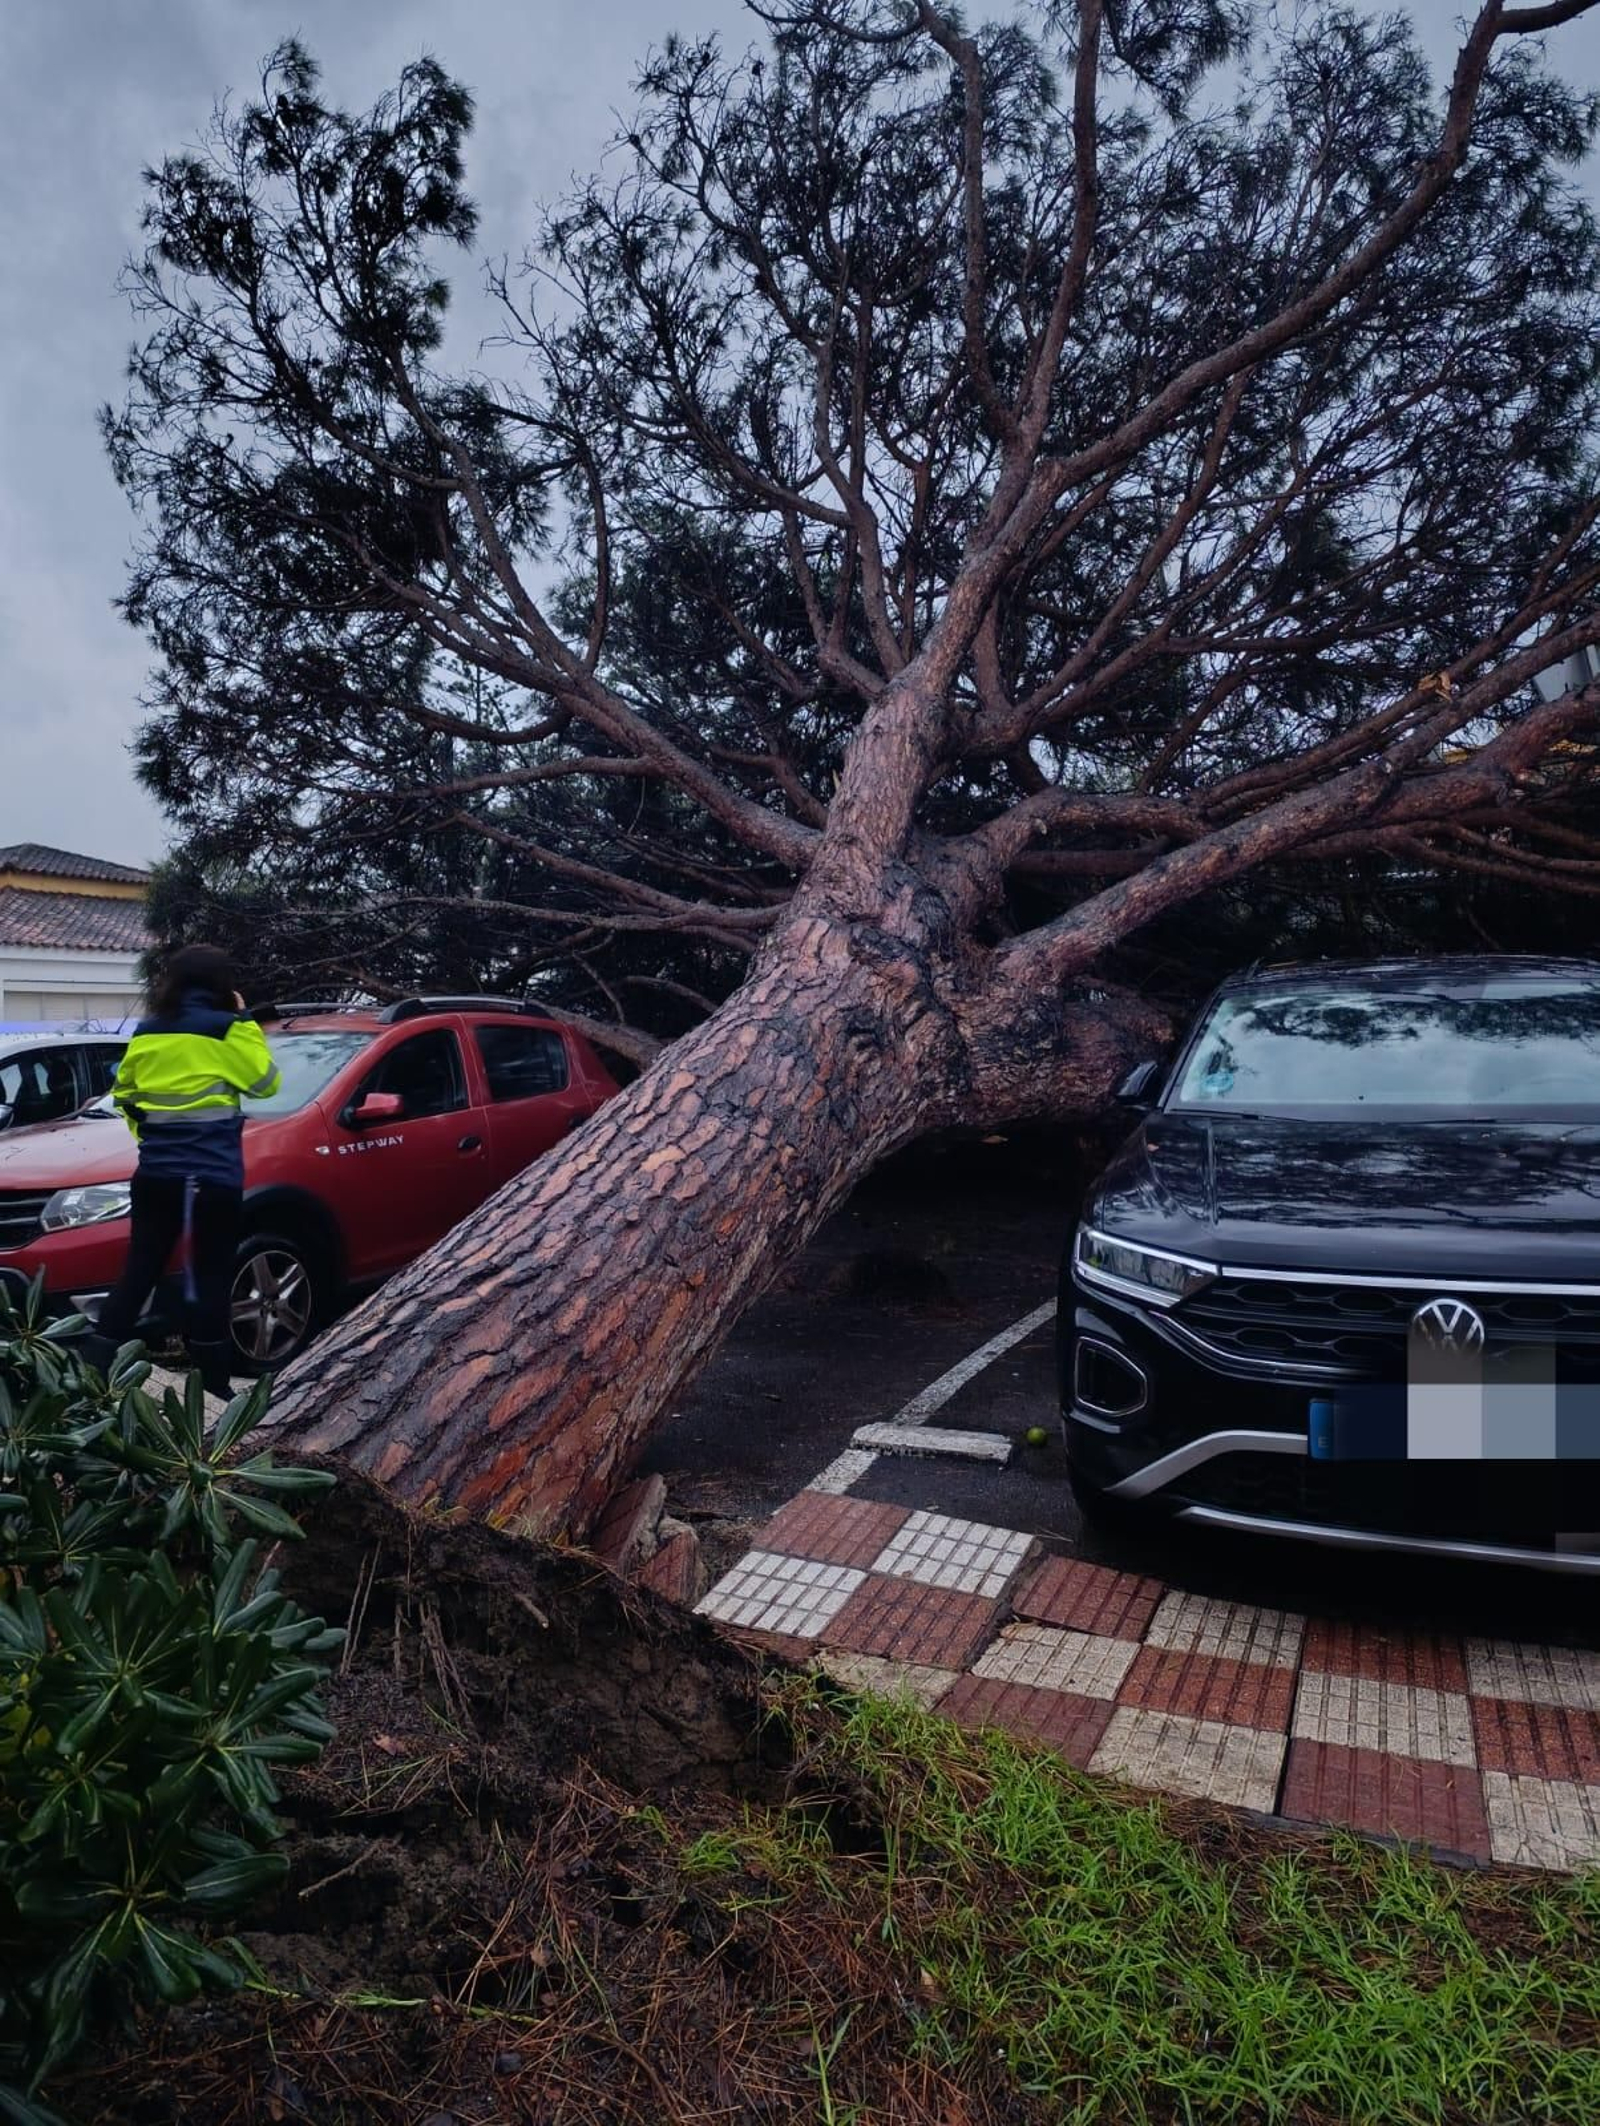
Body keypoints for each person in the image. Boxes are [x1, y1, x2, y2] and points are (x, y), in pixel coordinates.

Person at [90, 945, 281, 1397]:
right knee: (211, 1275)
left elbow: (125, 1095)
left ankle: (88, 1376)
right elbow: (265, 1083)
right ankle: (214, 1390)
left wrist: (152, 1141)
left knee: (139, 1271)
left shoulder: (148, 1030)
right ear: (221, 984)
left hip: (156, 1175)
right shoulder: (227, 1029)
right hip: (212, 1178)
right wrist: (246, 1019)